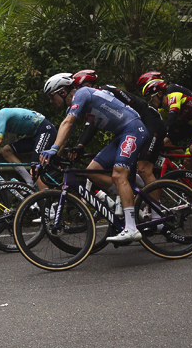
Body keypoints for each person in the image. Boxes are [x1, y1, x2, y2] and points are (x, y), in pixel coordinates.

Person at [38, 72, 150, 243]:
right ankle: (128, 191)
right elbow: (66, 135)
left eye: (51, 97)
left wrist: (53, 149)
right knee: (92, 171)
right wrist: (50, 157)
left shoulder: (82, 93)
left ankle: (131, 228)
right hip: (121, 134)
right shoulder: (73, 107)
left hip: (133, 128)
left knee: (118, 174)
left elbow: (67, 123)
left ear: (62, 92)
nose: (51, 101)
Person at [0, 95, 53, 186]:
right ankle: (29, 182)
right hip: (35, 135)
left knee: (36, 169)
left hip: (45, 130)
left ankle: (45, 199)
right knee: (6, 151)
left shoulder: (1, 114)